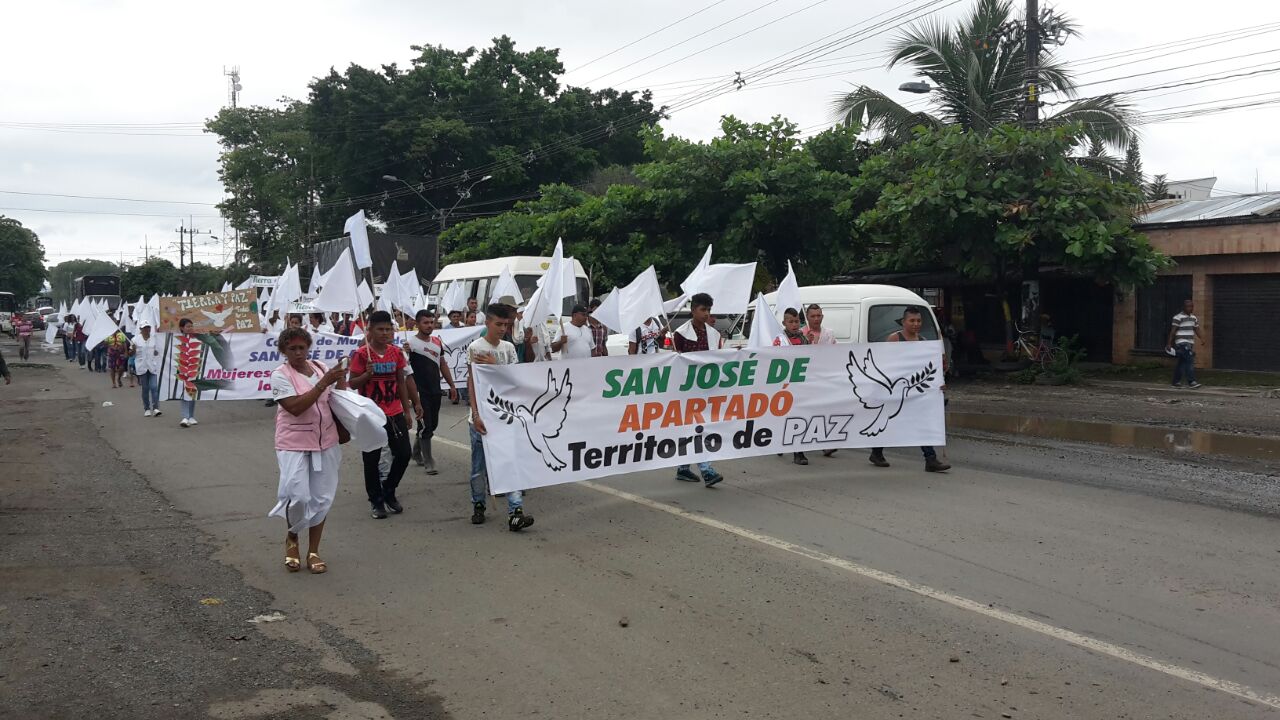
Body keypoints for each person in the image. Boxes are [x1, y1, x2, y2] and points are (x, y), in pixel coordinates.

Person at [268, 326, 349, 574]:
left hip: (326, 442)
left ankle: (313, 551)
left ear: (308, 347)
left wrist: (341, 379)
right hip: (293, 444)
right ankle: (292, 537)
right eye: (292, 349)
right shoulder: (280, 375)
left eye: (302, 347)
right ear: (283, 351)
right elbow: (295, 407)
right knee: (298, 496)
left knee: (322, 499)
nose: (298, 353)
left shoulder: (321, 367)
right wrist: (323, 383)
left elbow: (338, 399)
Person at [466, 303, 534, 531]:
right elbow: (473, 383)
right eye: (498, 324)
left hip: (505, 416)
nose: (503, 328)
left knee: (511, 463)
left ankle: (515, 511)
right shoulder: (476, 348)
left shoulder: (508, 348)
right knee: (479, 467)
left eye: (506, 324)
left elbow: (514, 379)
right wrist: (475, 414)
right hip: (483, 417)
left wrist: (497, 367)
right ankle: (478, 504)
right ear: (487, 323)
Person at [348, 310, 422, 519]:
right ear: (369, 330)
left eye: (388, 329)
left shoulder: (397, 353)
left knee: (403, 453)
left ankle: (389, 490)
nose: (385, 333)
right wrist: (366, 375)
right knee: (371, 458)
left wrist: (408, 410)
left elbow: (401, 381)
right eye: (380, 329)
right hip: (370, 414)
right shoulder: (362, 354)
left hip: (394, 411)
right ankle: (376, 500)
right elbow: (352, 383)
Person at [869, 306, 951, 473]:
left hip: (914, 392)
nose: (916, 324)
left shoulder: (923, 343)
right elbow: (884, 363)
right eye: (912, 321)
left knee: (921, 422)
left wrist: (938, 383)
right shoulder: (895, 339)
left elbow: (929, 370)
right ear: (904, 322)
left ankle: (930, 459)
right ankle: (876, 452)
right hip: (896, 390)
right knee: (890, 422)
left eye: (918, 321)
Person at [670, 293, 725, 487]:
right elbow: (676, 361)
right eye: (703, 309)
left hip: (707, 389)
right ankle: (706, 470)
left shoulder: (713, 334)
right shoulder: (681, 334)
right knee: (698, 428)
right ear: (693, 310)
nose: (706, 314)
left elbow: (718, 358)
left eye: (708, 310)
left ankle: (683, 468)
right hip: (687, 390)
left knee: (695, 428)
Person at [406, 309, 458, 474]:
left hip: (435, 389)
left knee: (431, 425)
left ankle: (415, 452)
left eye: (431, 322)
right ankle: (429, 462)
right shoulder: (410, 344)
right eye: (425, 322)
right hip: (419, 392)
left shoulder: (436, 342)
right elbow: (405, 371)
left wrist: (452, 385)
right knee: (426, 425)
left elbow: (442, 364)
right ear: (417, 324)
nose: (429, 325)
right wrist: (405, 352)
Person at [773, 308, 811, 466]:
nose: (794, 325)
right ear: (784, 323)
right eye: (791, 322)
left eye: (797, 321)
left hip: (801, 384)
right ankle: (780, 442)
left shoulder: (804, 339)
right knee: (785, 417)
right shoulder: (779, 340)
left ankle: (798, 452)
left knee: (799, 416)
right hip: (785, 385)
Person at [1165, 298, 1203, 389]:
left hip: (1190, 343)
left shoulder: (1194, 318)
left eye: (1192, 306)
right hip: (1182, 342)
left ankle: (1175, 382)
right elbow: (1173, 331)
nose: (1190, 308)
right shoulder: (1178, 317)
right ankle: (1192, 381)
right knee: (1189, 360)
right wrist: (1169, 343)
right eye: (1188, 306)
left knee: (1181, 363)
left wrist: (1202, 338)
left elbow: (1196, 329)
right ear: (1184, 307)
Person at [130, 322, 164, 417]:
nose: (146, 329)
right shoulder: (135, 340)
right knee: (145, 389)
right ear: (140, 329)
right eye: (144, 328)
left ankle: (156, 408)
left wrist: (156, 352)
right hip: (142, 367)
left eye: (148, 327)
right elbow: (130, 354)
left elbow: (158, 352)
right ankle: (147, 408)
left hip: (153, 367)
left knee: (154, 387)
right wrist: (133, 349)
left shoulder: (154, 339)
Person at [175, 318, 202, 428]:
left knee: (192, 392)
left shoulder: (197, 338)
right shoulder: (175, 339)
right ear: (182, 328)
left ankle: (191, 416)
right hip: (181, 369)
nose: (190, 328)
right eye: (187, 326)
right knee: (184, 392)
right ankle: (185, 416)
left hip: (193, 368)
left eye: (191, 326)